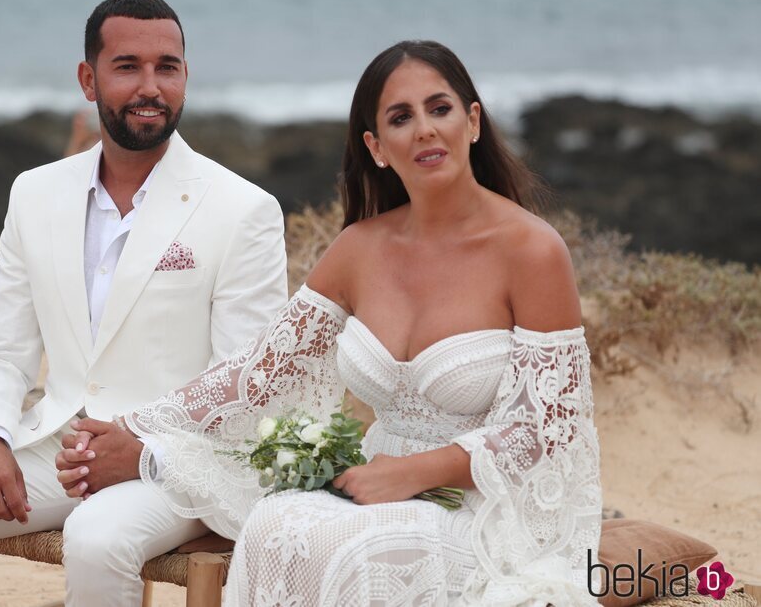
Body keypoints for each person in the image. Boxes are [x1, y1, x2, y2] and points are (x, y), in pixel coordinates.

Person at [55, 40, 603, 605]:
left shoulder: (533, 251)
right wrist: (135, 430)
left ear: (473, 122)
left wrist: (413, 473)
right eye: (400, 117)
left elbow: (549, 431)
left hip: (479, 504)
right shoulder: (359, 248)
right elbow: (260, 375)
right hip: (369, 483)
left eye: (439, 109)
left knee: (347, 550)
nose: (424, 130)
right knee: (272, 526)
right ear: (376, 146)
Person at [0, 0, 289, 606]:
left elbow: (244, 383)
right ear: (88, 79)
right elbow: (1, 345)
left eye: (167, 67)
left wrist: (144, 449)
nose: (151, 86)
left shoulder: (242, 209)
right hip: (58, 446)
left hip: (184, 461)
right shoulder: (35, 193)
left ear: (186, 75)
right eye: (127, 66)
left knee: (93, 538)